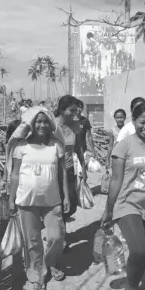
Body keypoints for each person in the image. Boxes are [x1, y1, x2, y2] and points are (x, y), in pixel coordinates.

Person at [101, 102, 145, 290]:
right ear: (133, 120)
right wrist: (108, 210)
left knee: (144, 253)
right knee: (138, 248)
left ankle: (132, 283)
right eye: (142, 122)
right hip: (128, 204)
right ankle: (131, 285)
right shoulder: (124, 145)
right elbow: (116, 181)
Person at [7, 106, 69, 290]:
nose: (42, 125)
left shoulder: (56, 146)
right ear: (31, 124)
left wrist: (66, 196)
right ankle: (36, 277)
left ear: (51, 125)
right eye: (38, 121)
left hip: (52, 201)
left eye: (45, 122)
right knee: (32, 242)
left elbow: (63, 173)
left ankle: (48, 262)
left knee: (57, 237)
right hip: (27, 201)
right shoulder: (21, 146)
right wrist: (11, 199)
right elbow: (15, 174)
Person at [54, 95, 87, 248]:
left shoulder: (75, 125)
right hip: (54, 172)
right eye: (71, 110)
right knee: (58, 204)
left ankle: (59, 230)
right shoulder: (52, 126)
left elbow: (78, 148)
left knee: (72, 204)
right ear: (62, 110)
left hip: (70, 170)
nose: (75, 114)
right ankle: (61, 238)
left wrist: (83, 168)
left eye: (76, 110)